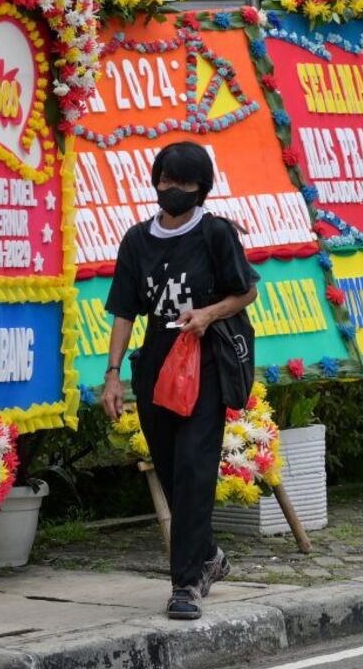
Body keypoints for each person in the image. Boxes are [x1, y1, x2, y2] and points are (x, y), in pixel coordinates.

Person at [100, 141, 259, 620]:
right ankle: (208, 556)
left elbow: (246, 291)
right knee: (172, 471)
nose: (171, 189)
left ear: (200, 189)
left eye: (183, 183)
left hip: (204, 364)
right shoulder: (136, 240)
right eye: (165, 180)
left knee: (194, 467)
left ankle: (185, 585)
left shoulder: (215, 234)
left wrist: (207, 315)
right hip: (155, 368)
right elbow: (125, 311)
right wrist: (112, 375)